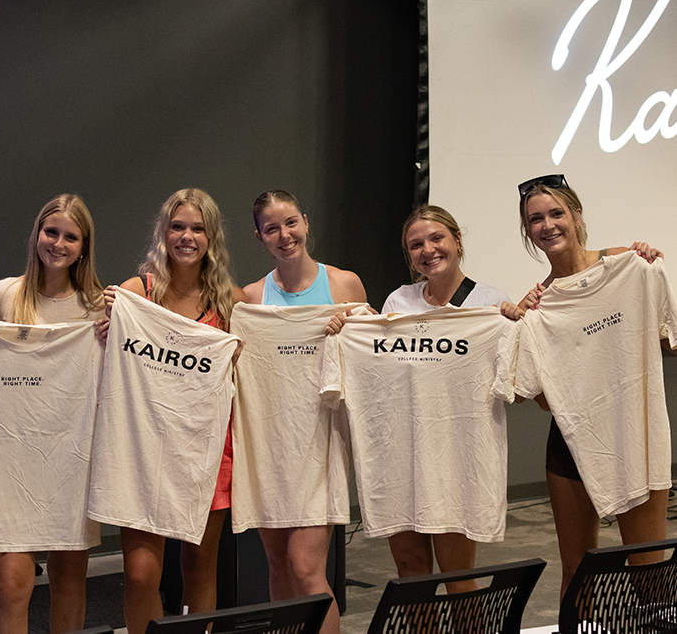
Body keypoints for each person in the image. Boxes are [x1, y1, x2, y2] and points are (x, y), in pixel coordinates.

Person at [502, 174, 669, 600]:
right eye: (535, 219)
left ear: (576, 215)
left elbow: (666, 337)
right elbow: (537, 398)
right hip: (573, 440)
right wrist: (524, 327)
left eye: (556, 213)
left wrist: (645, 261)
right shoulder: (540, 303)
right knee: (577, 572)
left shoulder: (629, 265)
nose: (547, 225)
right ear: (527, 231)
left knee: (647, 566)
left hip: (637, 434)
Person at [100, 188, 246, 634]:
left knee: (199, 566)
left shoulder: (230, 302)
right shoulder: (134, 294)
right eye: (178, 226)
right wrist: (106, 326)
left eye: (197, 228)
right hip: (142, 449)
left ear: (211, 238)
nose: (187, 236)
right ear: (163, 234)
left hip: (207, 449)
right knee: (141, 573)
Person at [0, 194, 105, 634]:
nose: (59, 243)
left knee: (70, 579)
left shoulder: (99, 306)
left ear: (83, 246)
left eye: (71, 236)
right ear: (36, 234)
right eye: (52, 232)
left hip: (72, 456)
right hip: (9, 458)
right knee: (11, 583)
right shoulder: (1, 295)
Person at [239, 190, 366, 634]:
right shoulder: (252, 298)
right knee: (278, 565)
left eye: (290, 222)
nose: (284, 234)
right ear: (260, 236)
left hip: (321, 442)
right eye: (272, 228)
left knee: (306, 568)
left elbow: (367, 362)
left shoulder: (343, 285)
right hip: (268, 445)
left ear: (306, 222)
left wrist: (348, 329)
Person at [373, 204, 510, 592]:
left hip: (457, 459)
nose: (428, 250)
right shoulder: (398, 304)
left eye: (437, 238)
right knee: (411, 575)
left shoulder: (490, 304)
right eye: (416, 245)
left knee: (457, 577)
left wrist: (515, 324)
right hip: (402, 458)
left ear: (457, 240)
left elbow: (513, 385)